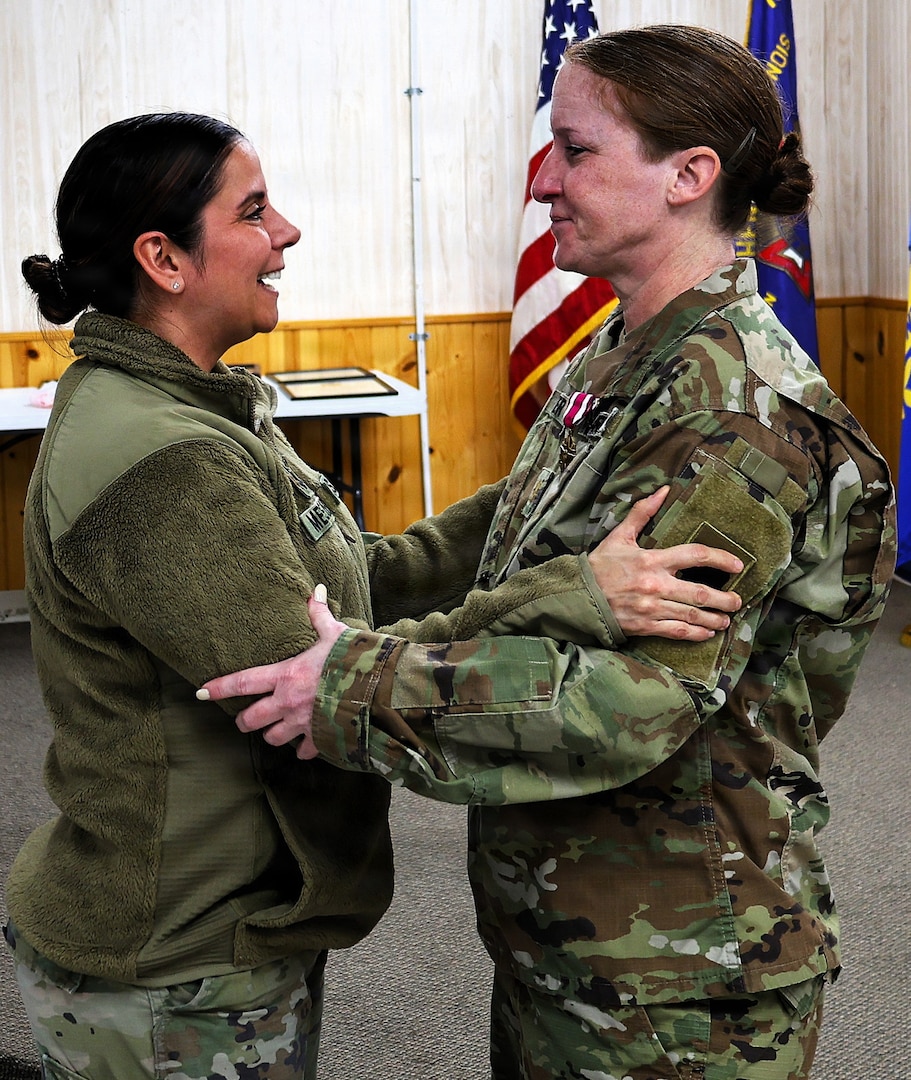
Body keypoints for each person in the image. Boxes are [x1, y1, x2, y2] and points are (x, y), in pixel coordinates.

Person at [202, 25, 896, 1080]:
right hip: (579, 934)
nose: (543, 178)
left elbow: (628, 702)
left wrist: (350, 688)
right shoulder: (625, 359)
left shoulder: (734, 412)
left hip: (680, 976)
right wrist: (356, 577)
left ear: (687, 176)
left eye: (574, 150)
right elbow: (502, 535)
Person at [4, 112, 744, 1080]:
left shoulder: (199, 403)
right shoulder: (162, 459)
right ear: (164, 258)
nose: (288, 233)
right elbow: (316, 681)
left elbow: (363, 578)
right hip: (170, 957)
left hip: (225, 921)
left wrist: (531, 496)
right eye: (255, 211)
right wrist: (574, 593)